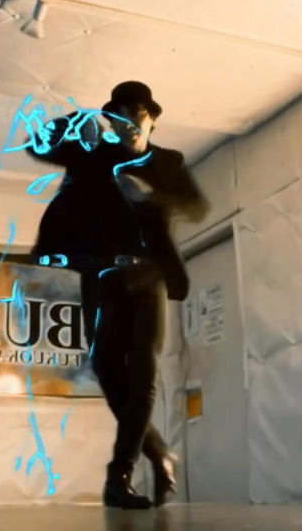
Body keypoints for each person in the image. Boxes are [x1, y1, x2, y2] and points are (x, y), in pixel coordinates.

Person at [26, 81, 209, 509]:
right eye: (118, 116)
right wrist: (70, 122)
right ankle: (159, 453)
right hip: (102, 275)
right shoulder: (95, 155)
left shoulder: (167, 161)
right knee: (107, 368)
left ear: (152, 119)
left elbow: (195, 206)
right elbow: (37, 146)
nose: (127, 123)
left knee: (143, 372)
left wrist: (150, 197)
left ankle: (119, 476)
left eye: (135, 115)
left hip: (148, 275)